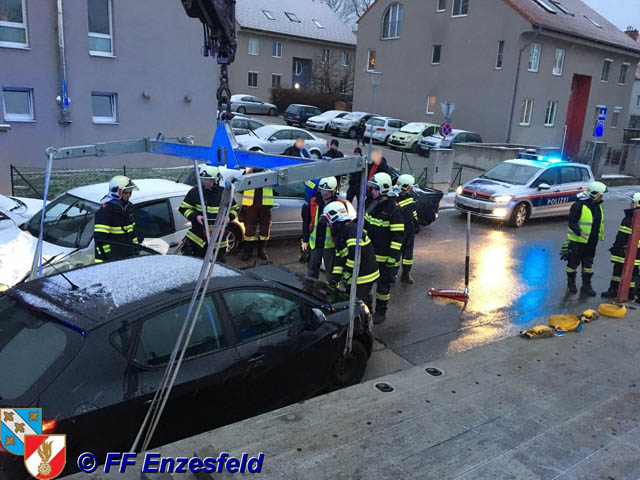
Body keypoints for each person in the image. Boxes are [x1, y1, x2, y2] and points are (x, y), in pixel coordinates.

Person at [324, 201, 379, 312]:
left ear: (337, 218)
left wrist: (347, 273)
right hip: (356, 273)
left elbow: (355, 254)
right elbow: (339, 259)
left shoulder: (352, 230)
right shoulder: (341, 233)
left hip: (365, 274)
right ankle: (368, 314)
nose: (328, 224)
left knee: (356, 304)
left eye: (329, 221)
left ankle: (363, 323)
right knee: (356, 299)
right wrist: (335, 278)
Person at [365, 172, 405, 324]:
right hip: (369, 254)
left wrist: (392, 259)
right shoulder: (372, 203)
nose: (372, 191)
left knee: (383, 287)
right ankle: (367, 310)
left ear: (383, 189)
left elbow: (398, 237)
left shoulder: (394, 209)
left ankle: (381, 313)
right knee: (366, 286)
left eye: (375, 189)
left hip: (384, 258)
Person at [179, 165, 236, 262]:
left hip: (218, 241)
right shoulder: (195, 193)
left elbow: (234, 208)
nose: (206, 182)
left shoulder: (224, 193)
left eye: (209, 180)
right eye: (204, 179)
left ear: (216, 179)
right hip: (199, 240)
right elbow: (183, 208)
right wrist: (196, 216)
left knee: (218, 265)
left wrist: (228, 217)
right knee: (199, 264)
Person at [565, 181, 607, 296]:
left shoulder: (598, 206)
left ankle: (586, 285)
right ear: (594, 194)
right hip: (578, 242)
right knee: (573, 264)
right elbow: (572, 222)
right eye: (601, 195)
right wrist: (580, 232)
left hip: (591, 242)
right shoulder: (579, 205)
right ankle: (571, 283)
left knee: (588, 265)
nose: (602, 197)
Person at [301, 177, 344, 279]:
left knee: (331, 273)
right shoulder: (313, 202)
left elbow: (342, 227)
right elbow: (306, 222)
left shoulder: (339, 205)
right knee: (311, 271)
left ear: (333, 191)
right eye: (322, 190)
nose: (324, 193)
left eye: (328, 191)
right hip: (315, 244)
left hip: (329, 245)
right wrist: (305, 240)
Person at [94, 176, 143, 263]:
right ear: (117, 193)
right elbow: (100, 238)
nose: (128, 195)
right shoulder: (106, 211)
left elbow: (132, 232)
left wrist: (136, 248)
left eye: (130, 193)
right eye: (125, 193)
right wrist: (108, 257)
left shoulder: (129, 208)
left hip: (128, 254)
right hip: (112, 258)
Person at [602, 193, 640, 300]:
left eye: (632, 202)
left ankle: (630, 293)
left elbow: (627, 237)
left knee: (632, 274)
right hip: (623, 251)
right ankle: (614, 289)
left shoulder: (634, 218)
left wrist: (619, 248)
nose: (630, 204)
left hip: (631, 253)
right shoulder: (630, 216)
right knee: (617, 271)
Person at [239, 168, 274, 261]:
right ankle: (247, 252)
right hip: (251, 207)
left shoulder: (270, 172)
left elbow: (277, 184)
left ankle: (261, 251)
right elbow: (239, 187)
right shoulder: (247, 172)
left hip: (265, 207)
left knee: (264, 230)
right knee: (249, 231)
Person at [396, 174, 420, 284]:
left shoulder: (410, 198)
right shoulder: (395, 199)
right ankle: (392, 274)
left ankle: (405, 274)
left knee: (408, 255)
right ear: (407, 187)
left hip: (409, 230)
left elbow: (412, 211)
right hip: (400, 230)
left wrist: (416, 223)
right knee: (396, 253)